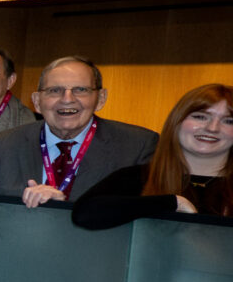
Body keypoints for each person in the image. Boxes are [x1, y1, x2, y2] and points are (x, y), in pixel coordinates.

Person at [0, 56, 158, 204]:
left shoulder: (138, 146)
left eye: (80, 89)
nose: (67, 99)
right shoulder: (3, 146)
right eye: (55, 90)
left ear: (101, 98)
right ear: (37, 101)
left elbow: (147, 220)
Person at [73, 83, 231, 227]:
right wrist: (172, 202)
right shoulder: (138, 177)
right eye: (200, 117)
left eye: (229, 121)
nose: (212, 128)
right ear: (177, 122)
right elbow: (84, 214)